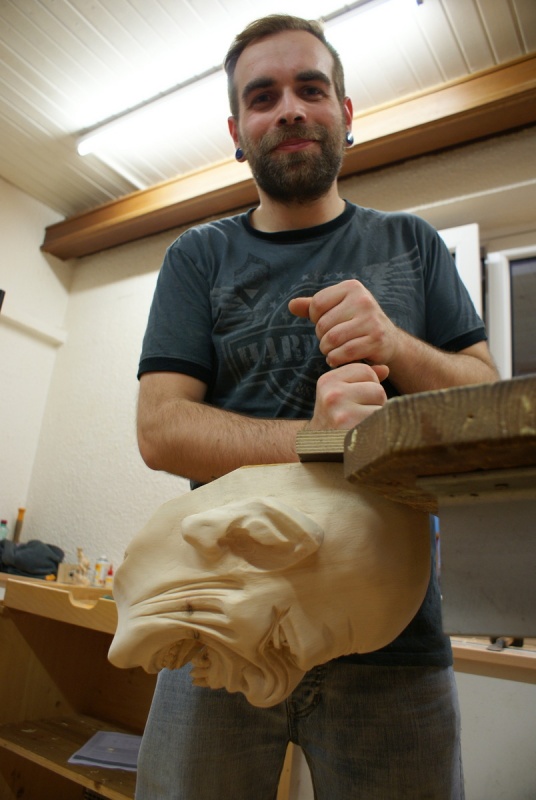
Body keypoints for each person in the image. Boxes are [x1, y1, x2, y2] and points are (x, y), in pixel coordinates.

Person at [134, 14, 499, 800]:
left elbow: (484, 401)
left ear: (345, 111)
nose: (290, 109)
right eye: (262, 96)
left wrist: (395, 345)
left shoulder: (413, 245)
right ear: (238, 132)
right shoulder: (197, 257)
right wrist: (320, 439)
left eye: (311, 88)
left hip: (396, 648)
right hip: (218, 625)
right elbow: (161, 430)